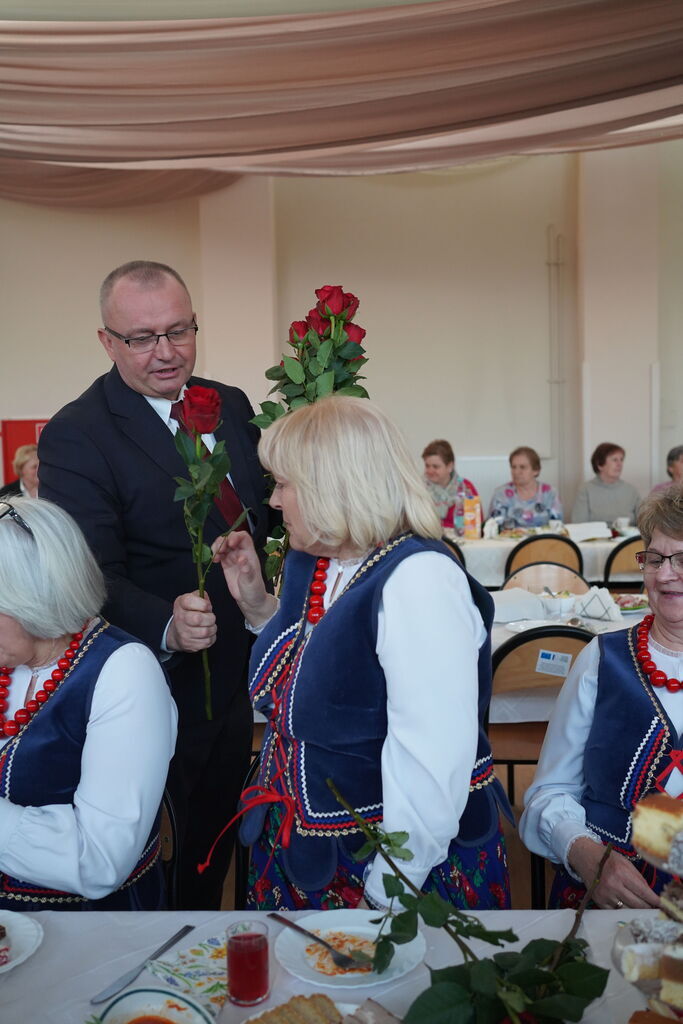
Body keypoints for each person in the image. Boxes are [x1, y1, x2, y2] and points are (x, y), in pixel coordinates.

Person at [210, 396, 512, 912]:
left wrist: (395, 882)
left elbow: (432, 753)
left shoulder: (419, 578)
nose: (276, 501)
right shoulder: (321, 560)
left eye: (283, 484)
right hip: (310, 844)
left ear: (333, 484)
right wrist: (260, 606)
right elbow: (320, 672)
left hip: (383, 863)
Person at [38, 260, 270, 909]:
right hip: (152, 685)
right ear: (107, 341)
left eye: (179, 331)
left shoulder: (229, 404)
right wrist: (167, 623)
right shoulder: (77, 435)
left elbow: (263, 511)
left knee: (215, 847)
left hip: (238, 675)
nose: (166, 353)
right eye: (142, 338)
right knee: (163, 860)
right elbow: (86, 574)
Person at [0, 497, 176, 911]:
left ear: (32, 598)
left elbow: (101, 860)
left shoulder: (124, 672)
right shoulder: (12, 657)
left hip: (87, 933)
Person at [520, 487, 683, 910]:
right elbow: (549, 792)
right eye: (655, 558)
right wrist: (584, 853)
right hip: (608, 900)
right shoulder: (602, 659)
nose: (665, 575)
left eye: (682, 559)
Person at [488, 446, 562, 528]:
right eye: (513, 467)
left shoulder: (550, 493)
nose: (516, 472)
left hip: (542, 540)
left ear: (536, 470)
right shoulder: (501, 494)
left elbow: (557, 526)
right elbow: (493, 527)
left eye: (522, 467)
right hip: (509, 540)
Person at [571, 442, 640, 525]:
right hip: (597, 537)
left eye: (621, 460)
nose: (620, 464)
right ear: (600, 464)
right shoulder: (585, 490)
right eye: (615, 460)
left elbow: (644, 524)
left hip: (629, 537)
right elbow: (579, 524)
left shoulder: (631, 490)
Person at [422, 439, 478, 535]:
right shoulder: (419, 488)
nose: (430, 471)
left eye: (435, 467)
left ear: (450, 466)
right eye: (427, 466)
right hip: (429, 540)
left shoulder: (466, 487)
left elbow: (476, 522)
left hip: (461, 541)